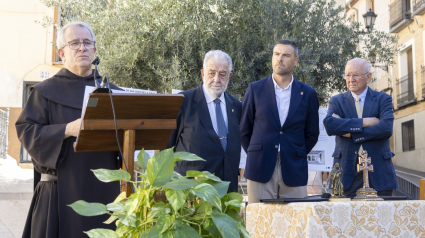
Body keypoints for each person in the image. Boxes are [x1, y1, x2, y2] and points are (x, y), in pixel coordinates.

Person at [16, 21, 122, 238]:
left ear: (95, 49)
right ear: (61, 52)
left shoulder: (114, 94)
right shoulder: (45, 92)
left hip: (106, 195)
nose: (82, 48)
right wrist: (66, 129)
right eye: (75, 43)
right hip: (61, 193)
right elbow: (26, 131)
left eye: (87, 42)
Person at [240, 39, 320, 204]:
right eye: (276, 54)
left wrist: (296, 152)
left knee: (295, 224)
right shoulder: (255, 89)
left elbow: (312, 133)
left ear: (295, 61)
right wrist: (259, 152)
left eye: (286, 55)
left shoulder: (308, 93)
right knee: (259, 223)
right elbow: (244, 129)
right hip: (260, 166)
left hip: (293, 167)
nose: (279, 59)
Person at [167, 50, 242, 192]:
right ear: (202, 74)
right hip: (191, 193)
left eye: (222, 74)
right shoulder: (182, 102)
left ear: (229, 76)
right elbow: (166, 148)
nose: (216, 79)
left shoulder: (236, 106)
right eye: (211, 73)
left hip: (227, 191)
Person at [323, 58, 397, 198]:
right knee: (345, 219)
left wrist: (352, 134)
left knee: (381, 219)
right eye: (347, 75)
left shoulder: (383, 99)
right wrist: (365, 122)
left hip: (379, 174)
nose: (351, 79)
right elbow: (330, 125)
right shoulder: (337, 101)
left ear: (368, 76)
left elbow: (386, 128)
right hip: (346, 174)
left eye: (356, 75)